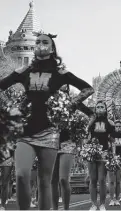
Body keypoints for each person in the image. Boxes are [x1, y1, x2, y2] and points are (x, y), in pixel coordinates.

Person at [0, 33, 94, 210]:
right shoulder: (23, 71)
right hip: (24, 131)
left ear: (52, 49)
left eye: (45, 42)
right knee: (20, 176)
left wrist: (68, 106)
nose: (40, 44)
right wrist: (10, 107)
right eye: (38, 42)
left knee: (44, 181)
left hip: (50, 132)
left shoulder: (60, 72)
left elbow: (88, 89)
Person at [85, 100, 114, 211]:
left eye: (102, 107)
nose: (100, 109)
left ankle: (102, 204)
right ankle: (93, 204)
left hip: (104, 152)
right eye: (98, 107)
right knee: (93, 179)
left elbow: (112, 139)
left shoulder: (110, 123)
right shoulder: (91, 122)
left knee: (101, 179)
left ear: (106, 109)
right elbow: (85, 135)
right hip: (91, 152)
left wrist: (113, 154)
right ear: (95, 109)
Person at [0, 142, 15, 210]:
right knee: (4, 184)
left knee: (4, 184)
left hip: (6, 163)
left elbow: (13, 153)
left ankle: (2, 204)